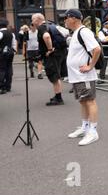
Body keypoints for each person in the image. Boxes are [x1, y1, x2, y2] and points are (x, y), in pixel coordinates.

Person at [64, 9, 102, 146]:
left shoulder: (83, 32)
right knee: (83, 101)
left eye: (66, 18)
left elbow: (97, 49)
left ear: (73, 18)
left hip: (84, 75)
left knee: (89, 101)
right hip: (77, 76)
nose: (65, 21)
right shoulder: (76, 33)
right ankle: (85, 127)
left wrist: (90, 66)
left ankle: (93, 131)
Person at [32, 13, 67, 106]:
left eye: (33, 20)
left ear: (37, 19)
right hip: (60, 53)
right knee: (56, 75)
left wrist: (50, 49)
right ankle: (57, 95)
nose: (32, 22)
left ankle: (59, 99)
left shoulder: (41, 28)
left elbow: (46, 36)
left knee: (54, 76)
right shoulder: (51, 24)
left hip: (53, 55)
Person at [0, 18, 16, 94]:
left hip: (2, 53)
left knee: (2, 69)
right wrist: (14, 51)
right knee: (9, 68)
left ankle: (2, 87)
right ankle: (8, 86)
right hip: (10, 53)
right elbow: (14, 43)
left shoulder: (0, 33)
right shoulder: (11, 33)